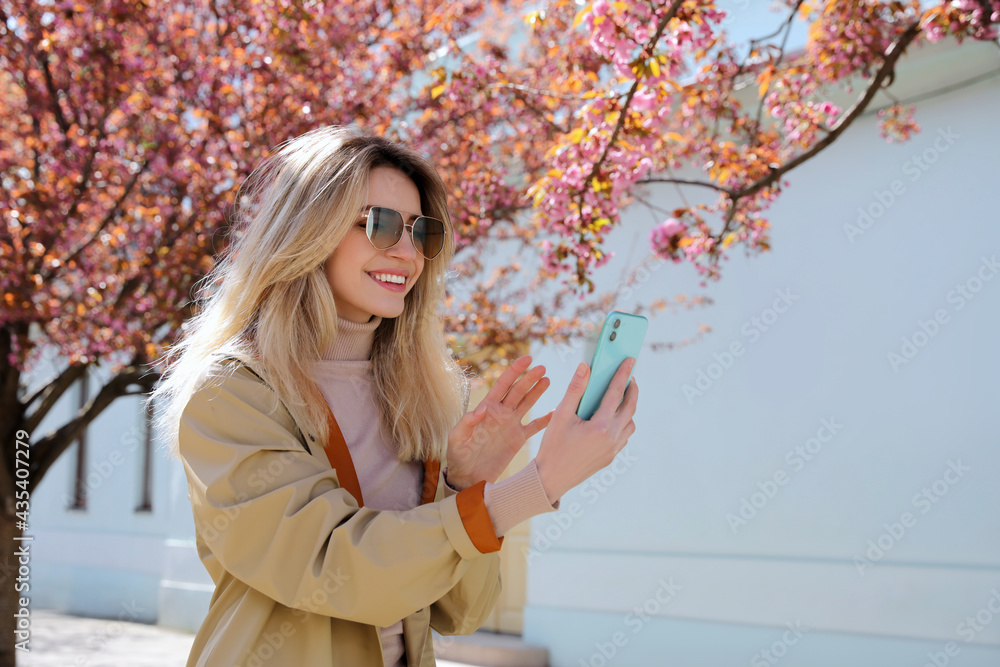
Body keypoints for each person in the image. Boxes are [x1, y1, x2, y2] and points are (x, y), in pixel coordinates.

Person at [151, 125, 639, 667]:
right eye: (379, 225)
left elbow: (460, 611)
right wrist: (538, 484)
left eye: (421, 232)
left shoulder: (420, 396)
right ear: (309, 230)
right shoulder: (234, 393)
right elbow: (332, 565)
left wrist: (462, 485)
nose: (407, 252)